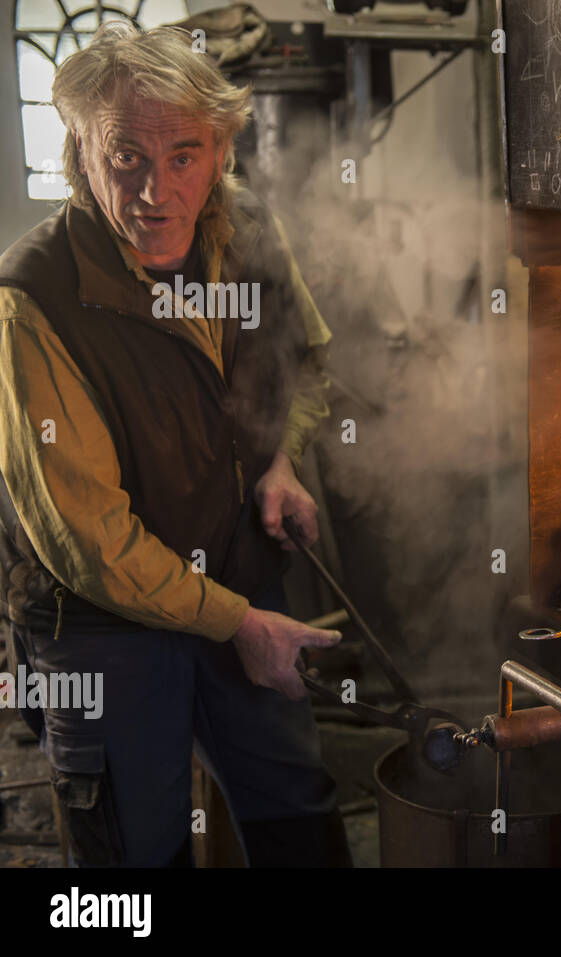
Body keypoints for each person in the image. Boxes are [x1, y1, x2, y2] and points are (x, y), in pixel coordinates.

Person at [0, 23, 351, 867]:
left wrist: (278, 461)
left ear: (223, 149)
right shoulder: (33, 299)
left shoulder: (250, 232)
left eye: (185, 155)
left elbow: (305, 365)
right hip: (99, 626)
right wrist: (235, 622)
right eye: (125, 158)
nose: (156, 190)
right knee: (131, 856)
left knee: (298, 818)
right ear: (81, 156)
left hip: (236, 577)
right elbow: (87, 539)